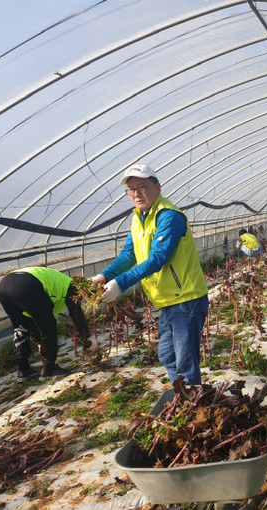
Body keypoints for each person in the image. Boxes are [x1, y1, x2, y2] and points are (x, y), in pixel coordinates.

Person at [91, 164, 209, 386]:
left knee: (184, 361)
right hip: (167, 300)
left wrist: (120, 284)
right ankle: (185, 396)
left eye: (142, 186)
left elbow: (158, 258)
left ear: (158, 187)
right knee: (167, 356)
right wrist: (105, 276)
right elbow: (128, 254)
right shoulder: (139, 218)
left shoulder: (169, 216)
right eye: (131, 189)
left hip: (186, 299)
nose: (136, 193)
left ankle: (194, 403)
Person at [0, 267, 90, 380]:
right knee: (48, 326)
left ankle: (24, 370)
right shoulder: (73, 288)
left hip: (3, 286)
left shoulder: (59, 279)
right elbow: (76, 314)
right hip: (27, 285)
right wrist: (86, 337)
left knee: (20, 326)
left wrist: (38, 341)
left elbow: (33, 320)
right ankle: (49, 368)